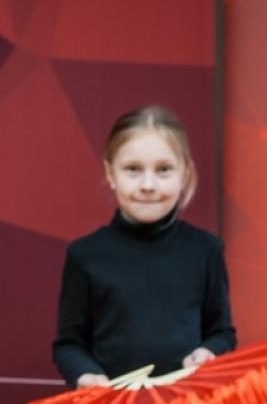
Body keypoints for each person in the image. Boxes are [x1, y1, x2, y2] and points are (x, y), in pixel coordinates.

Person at [52, 105, 235, 387]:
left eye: (163, 169)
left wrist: (208, 352)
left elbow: (222, 333)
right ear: (110, 173)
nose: (148, 184)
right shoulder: (85, 256)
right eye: (133, 169)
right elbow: (69, 344)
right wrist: (86, 375)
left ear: (185, 174)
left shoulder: (206, 251)